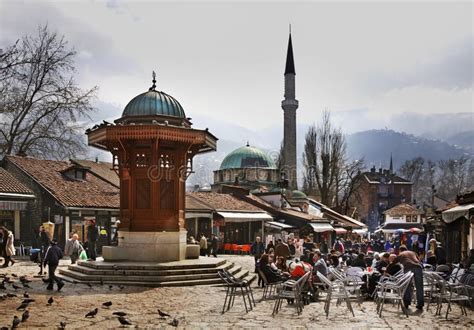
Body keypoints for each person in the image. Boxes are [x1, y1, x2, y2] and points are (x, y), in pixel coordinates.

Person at [398, 245, 424, 312]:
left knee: (407, 285)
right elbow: (418, 260)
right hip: (418, 267)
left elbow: (393, 263)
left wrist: (386, 270)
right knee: (419, 286)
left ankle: (406, 303)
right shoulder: (413, 252)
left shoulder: (401, 254)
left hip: (408, 267)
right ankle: (420, 304)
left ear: (400, 250)